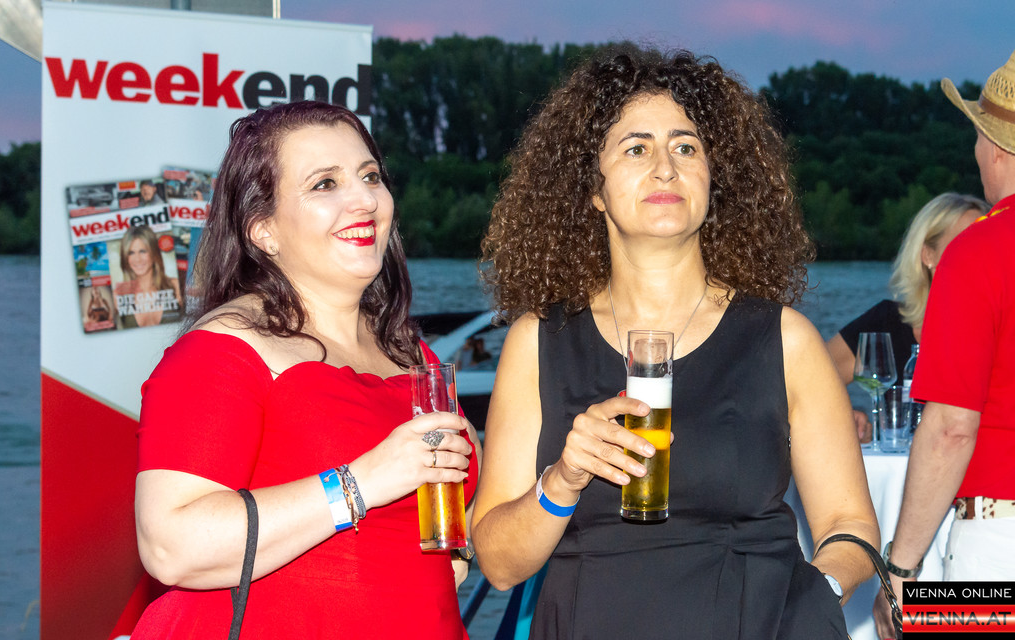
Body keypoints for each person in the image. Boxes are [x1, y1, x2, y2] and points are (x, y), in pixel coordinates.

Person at [473, 45, 878, 639]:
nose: (665, 167)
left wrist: (812, 600)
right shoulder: (539, 340)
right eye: (636, 148)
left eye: (686, 147)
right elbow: (499, 564)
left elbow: (851, 526)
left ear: (714, 180)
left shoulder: (784, 339)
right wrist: (563, 478)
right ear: (592, 188)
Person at [130, 101, 479, 638]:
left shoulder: (409, 351)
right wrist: (361, 483)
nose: (365, 200)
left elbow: (451, 493)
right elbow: (170, 546)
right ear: (263, 229)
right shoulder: (221, 351)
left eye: (370, 177)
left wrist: (461, 546)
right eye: (325, 184)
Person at [873, 50, 1015, 639]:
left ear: (997, 147)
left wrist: (900, 572)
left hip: (999, 545)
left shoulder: (978, 250)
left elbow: (952, 427)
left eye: (977, 135)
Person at [826, 193, 987, 441]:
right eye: (963, 243)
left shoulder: (1001, 333)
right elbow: (804, 381)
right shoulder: (886, 323)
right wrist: (844, 417)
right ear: (928, 255)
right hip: (897, 465)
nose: (977, 256)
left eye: (985, 245)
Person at [113, 225, 183, 328]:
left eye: (143, 251)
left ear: (154, 253)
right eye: (131, 253)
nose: (137, 259)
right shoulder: (118, 295)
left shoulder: (175, 285)